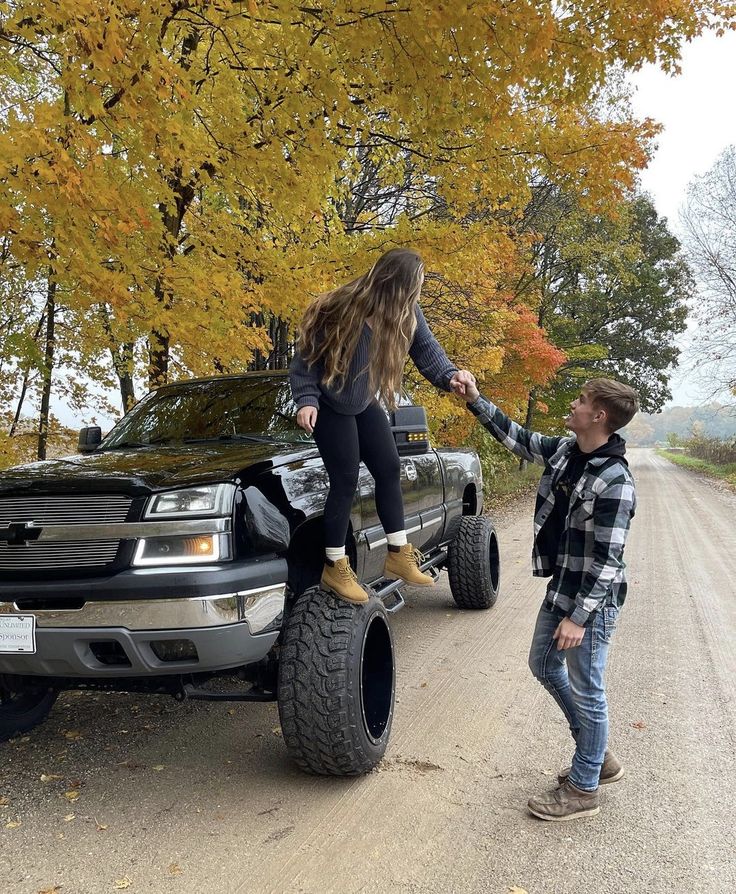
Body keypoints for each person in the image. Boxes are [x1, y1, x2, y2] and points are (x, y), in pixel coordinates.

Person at [459, 376, 638, 821]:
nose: (573, 405)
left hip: (590, 603)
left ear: (599, 416)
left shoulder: (616, 480)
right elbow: (518, 437)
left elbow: (609, 561)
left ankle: (583, 788)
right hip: (562, 586)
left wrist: (578, 618)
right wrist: (475, 400)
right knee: (542, 663)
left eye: (581, 401)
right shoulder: (566, 452)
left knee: (588, 690)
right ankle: (597, 756)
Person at [289, 247, 475, 604]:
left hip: (363, 401)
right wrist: (307, 400)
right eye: (416, 285)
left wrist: (451, 376)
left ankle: (397, 554)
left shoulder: (407, 314)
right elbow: (306, 356)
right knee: (345, 480)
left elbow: (428, 352)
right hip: (331, 402)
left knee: (389, 467)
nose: (418, 292)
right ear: (397, 285)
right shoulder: (340, 308)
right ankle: (334, 566)